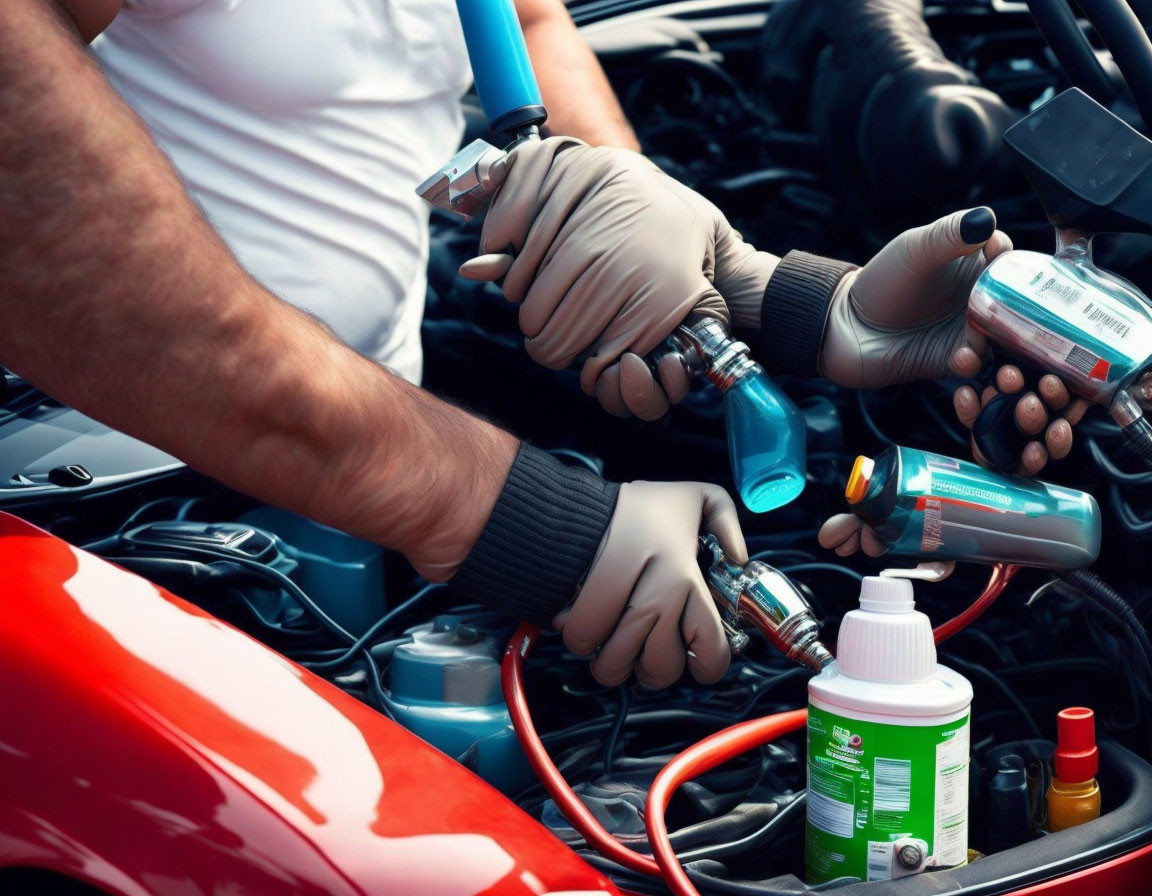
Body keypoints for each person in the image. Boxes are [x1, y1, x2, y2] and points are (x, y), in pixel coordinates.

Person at [1, 1, 1082, 692]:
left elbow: (527, 22)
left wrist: (754, 291)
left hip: (344, 464)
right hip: (117, 504)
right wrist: (507, 514)